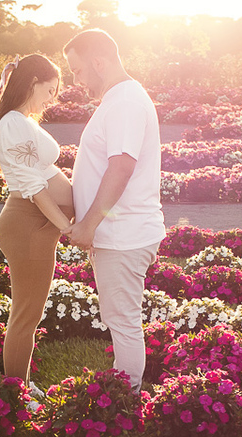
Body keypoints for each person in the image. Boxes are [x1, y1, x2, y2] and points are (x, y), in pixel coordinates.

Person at [64, 29, 164, 393]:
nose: (77, 81)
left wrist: (88, 224)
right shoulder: (118, 100)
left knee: (122, 321)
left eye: (77, 71)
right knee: (120, 318)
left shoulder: (124, 101)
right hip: (118, 233)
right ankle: (126, 393)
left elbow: (121, 167)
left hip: (123, 235)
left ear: (99, 62)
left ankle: (127, 400)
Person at [0, 53, 74, 398]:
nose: (51, 99)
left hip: (34, 226)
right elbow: (34, 187)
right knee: (25, 315)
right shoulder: (12, 123)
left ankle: (22, 386)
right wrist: (66, 225)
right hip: (28, 225)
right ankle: (15, 392)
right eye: (50, 90)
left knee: (28, 313)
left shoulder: (22, 120)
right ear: (33, 83)